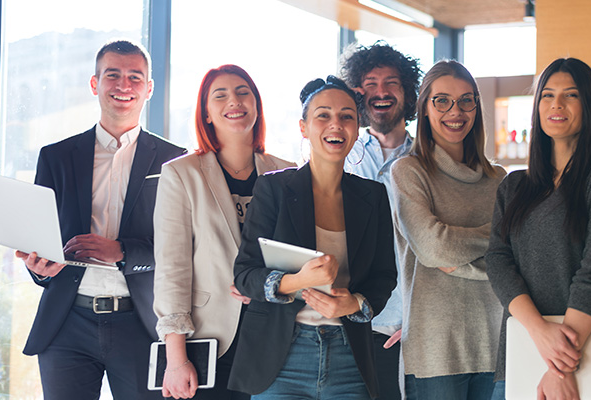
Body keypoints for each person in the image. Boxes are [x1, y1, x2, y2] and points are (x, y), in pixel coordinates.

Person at [15, 39, 187, 399]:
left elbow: (182, 251)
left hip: (142, 323)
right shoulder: (56, 157)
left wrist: (121, 251)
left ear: (149, 88)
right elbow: (42, 239)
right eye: (113, 75)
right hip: (66, 325)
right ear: (95, 84)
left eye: (135, 77)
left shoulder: (177, 162)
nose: (123, 86)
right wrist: (38, 267)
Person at [227, 76, 397, 399]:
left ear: (357, 127)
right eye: (323, 115)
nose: (336, 125)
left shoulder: (373, 196)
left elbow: (384, 276)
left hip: (350, 359)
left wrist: (355, 303)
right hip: (281, 359)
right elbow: (245, 274)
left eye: (347, 116)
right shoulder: (273, 189)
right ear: (304, 127)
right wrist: (297, 281)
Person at [485, 57, 591, 400]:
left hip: (586, 357)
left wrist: (560, 367)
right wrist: (540, 333)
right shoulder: (514, 186)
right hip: (521, 350)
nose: (556, 104)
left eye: (570, 95)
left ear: (589, 106)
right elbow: (497, 261)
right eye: (547, 95)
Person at [153, 64, 295, 400]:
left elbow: (298, 255)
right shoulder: (181, 174)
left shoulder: (288, 173)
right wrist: (175, 358)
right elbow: (172, 268)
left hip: (278, 334)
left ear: (256, 105)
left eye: (243, 92)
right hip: (212, 339)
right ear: (206, 112)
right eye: (221, 95)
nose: (234, 100)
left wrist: (263, 284)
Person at [390, 60, 505, 400]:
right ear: (424, 107)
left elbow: (516, 255)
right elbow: (435, 248)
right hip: (435, 350)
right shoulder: (408, 172)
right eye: (442, 100)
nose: (456, 111)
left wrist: (462, 261)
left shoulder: (499, 179)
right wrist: (497, 235)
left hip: (497, 342)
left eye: (466, 100)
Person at [340, 41, 422, 400]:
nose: (381, 92)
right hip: (351, 323)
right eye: (370, 83)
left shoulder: (428, 159)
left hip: (411, 324)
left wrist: (419, 316)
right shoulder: (339, 156)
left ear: (408, 93)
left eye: (392, 83)